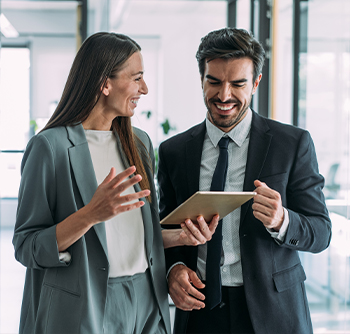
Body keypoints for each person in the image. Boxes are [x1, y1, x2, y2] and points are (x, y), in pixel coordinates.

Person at [12, 32, 219, 334]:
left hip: (146, 301)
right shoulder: (50, 148)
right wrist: (90, 214)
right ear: (104, 83)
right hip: (87, 305)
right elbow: (27, 247)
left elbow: (133, 234)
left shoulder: (139, 143)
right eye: (136, 78)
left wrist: (181, 238)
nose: (144, 89)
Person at [157, 27, 332, 334]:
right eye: (214, 82)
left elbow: (321, 231)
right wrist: (174, 269)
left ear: (255, 83)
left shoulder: (292, 144)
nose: (224, 96)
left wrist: (282, 220)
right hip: (199, 312)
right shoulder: (173, 151)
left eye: (238, 84)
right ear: (201, 80)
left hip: (274, 313)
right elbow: (166, 229)